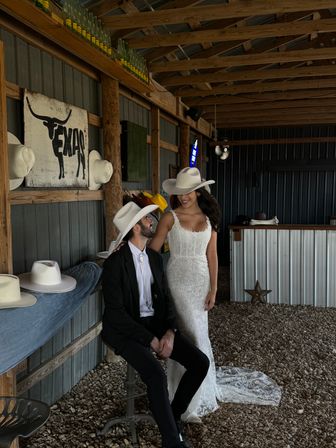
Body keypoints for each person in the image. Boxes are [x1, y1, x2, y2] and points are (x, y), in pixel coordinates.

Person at [101, 201, 210, 448]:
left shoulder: (154, 257)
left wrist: (170, 332)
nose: (152, 221)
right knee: (155, 374)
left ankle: (172, 415)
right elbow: (116, 314)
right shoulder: (114, 265)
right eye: (147, 219)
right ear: (136, 228)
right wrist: (151, 340)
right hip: (124, 331)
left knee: (200, 363)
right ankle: (172, 441)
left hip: (155, 324)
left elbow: (167, 299)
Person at [148, 167, 222, 422]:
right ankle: (177, 397)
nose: (183, 197)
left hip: (200, 282)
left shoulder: (209, 218)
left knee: (199, 336)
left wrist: (214, 288)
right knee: (183, 338)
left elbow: (212, 255)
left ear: (198, 191)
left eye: (188, 191)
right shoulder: (170, 217)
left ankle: (196, 397)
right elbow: (153, 251)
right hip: (176, 281)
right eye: (180, 193)